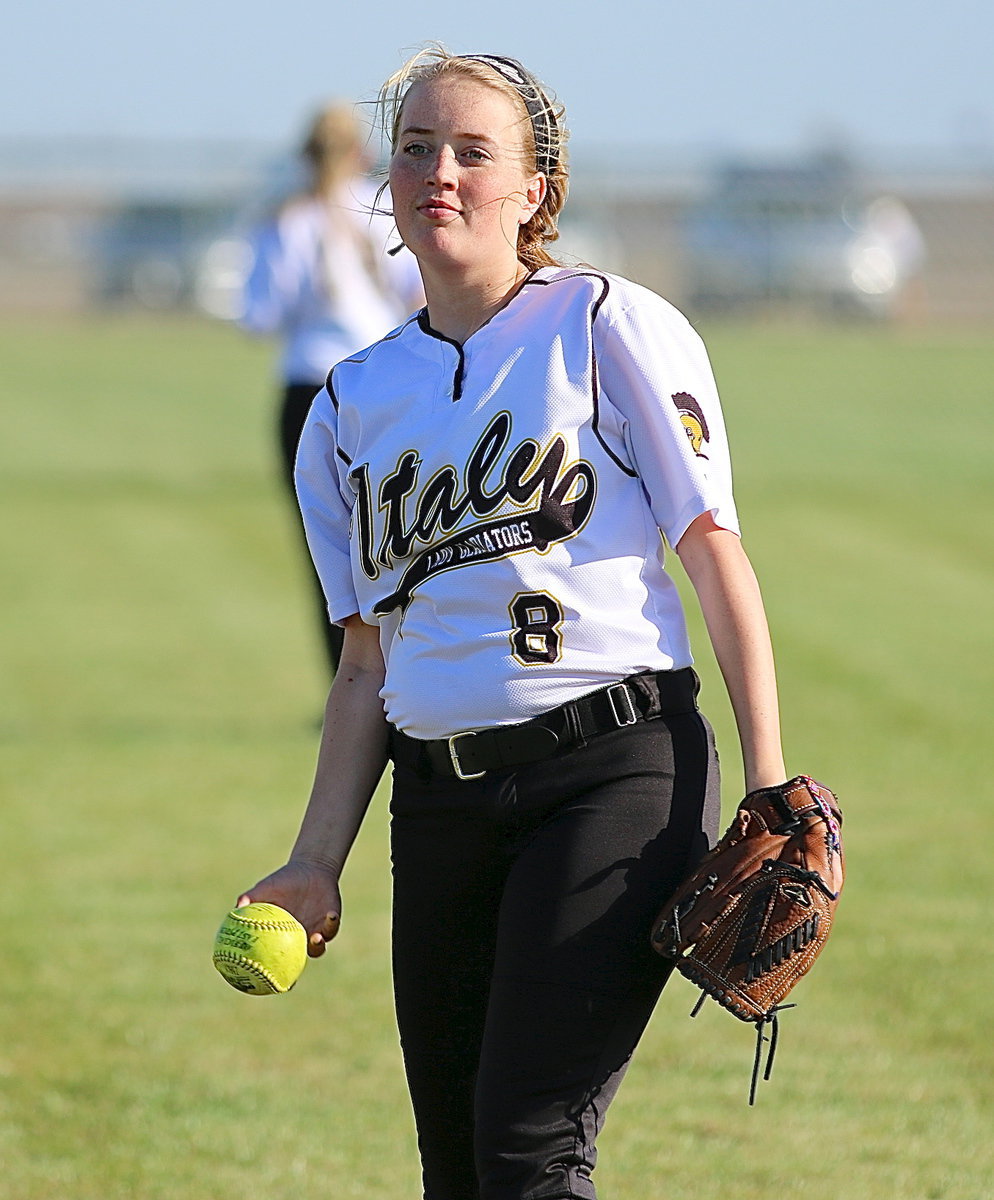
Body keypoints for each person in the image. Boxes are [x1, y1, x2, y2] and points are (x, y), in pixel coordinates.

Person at [237, 46, 788, 1200]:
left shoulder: (605, 328)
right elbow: (361, 669)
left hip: (614, 775)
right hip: (438, 804)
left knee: (527, 1157)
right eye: (416, 148)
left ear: (536, 188)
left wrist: (771, 785)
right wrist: (311, 861)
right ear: (384, 183)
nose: (440, 171)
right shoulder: (348, 406)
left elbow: (713, 558)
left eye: (474, 152)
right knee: (459, 1173)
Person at [238, 102, 423, 675]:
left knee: (326, 546)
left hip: (310, 389)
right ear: (360, 154)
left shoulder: (287, 222)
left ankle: (346, 680)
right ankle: (409, 669)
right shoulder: (381, 208)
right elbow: (417, 294)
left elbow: (257, 316)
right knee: (399, 536)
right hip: (381, 387)